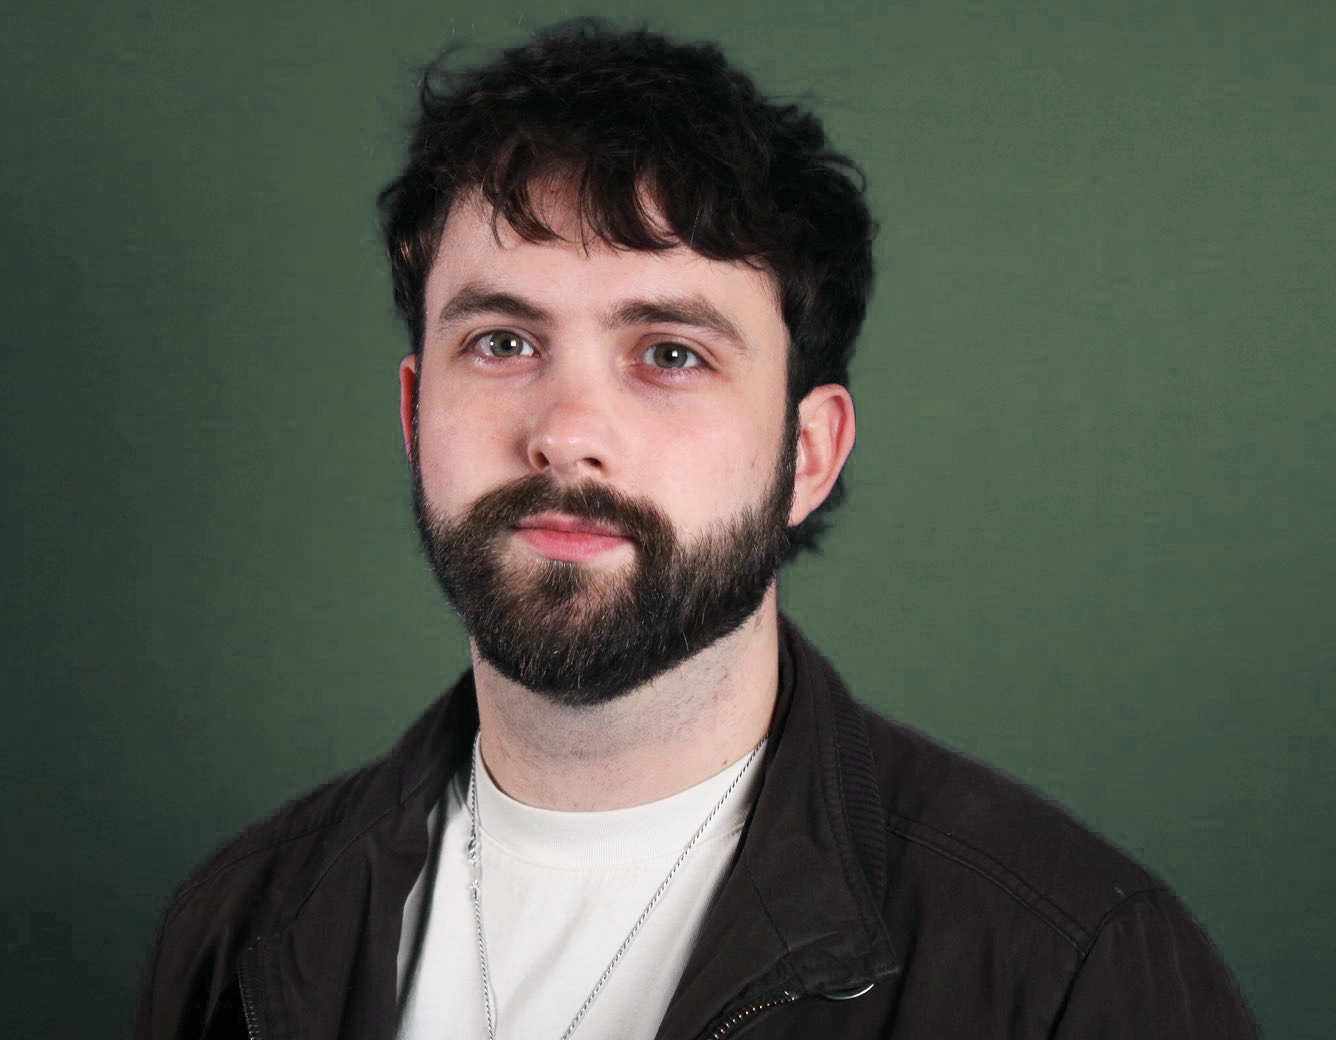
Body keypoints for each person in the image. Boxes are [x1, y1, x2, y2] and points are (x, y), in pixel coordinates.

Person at [133, 20, 1258, 1039]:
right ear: (414, 410)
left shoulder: (1068, 967)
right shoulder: (240, 926)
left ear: (806, 454)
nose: (568, 434)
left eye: (670, 353)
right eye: (503, 343)